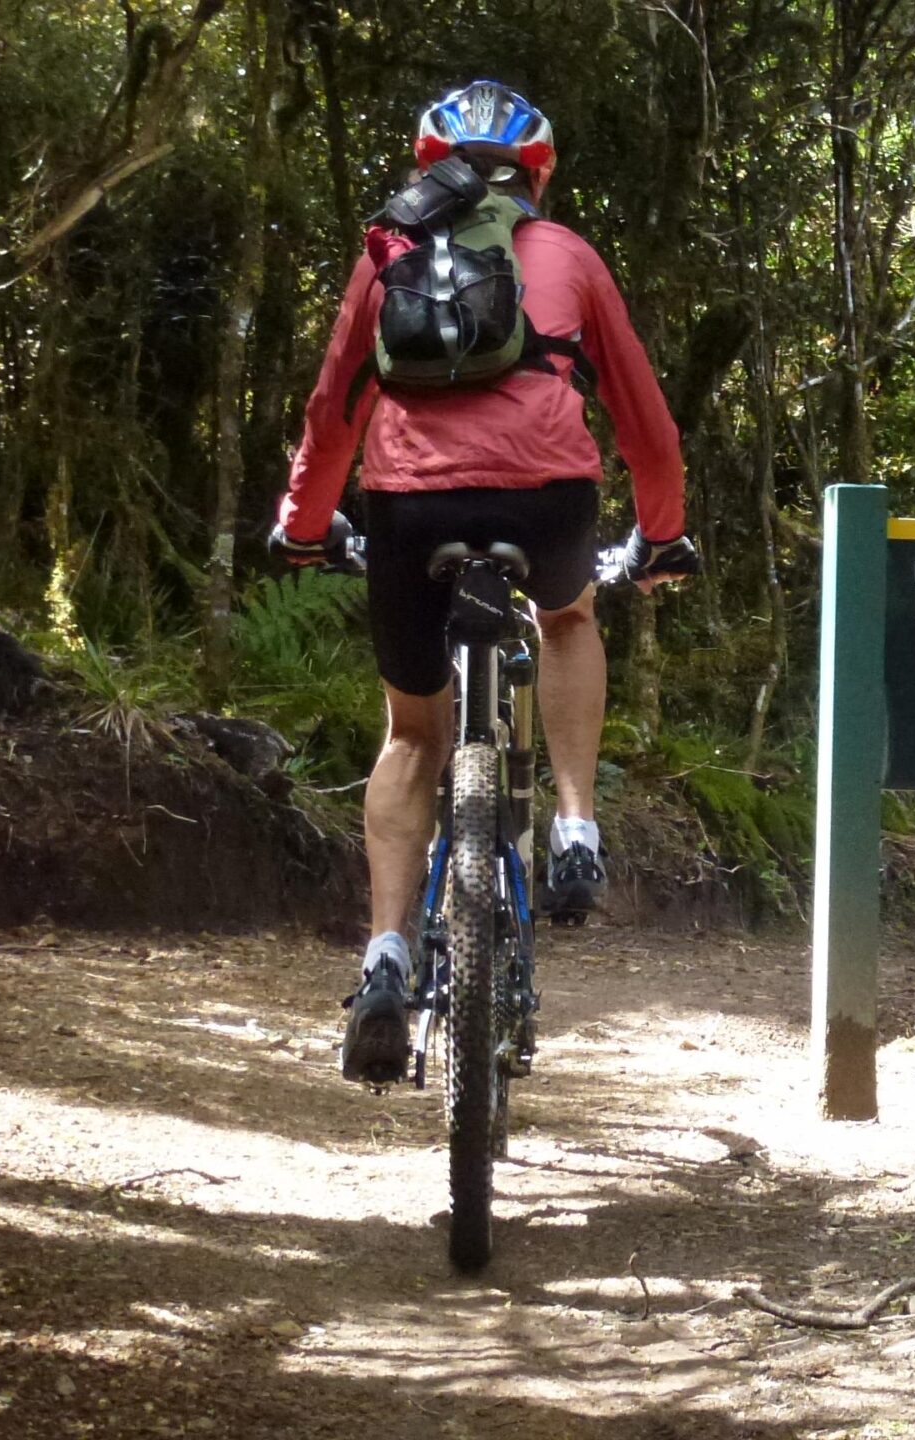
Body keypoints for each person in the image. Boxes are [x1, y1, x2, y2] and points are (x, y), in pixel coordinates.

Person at [270, 81, 699, 1084]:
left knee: (412, 731)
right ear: (539, 174)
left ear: (429, 165)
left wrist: (301, 530)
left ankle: (384, 957)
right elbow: (646, 423)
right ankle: (577, 826)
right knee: (567, 614)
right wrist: (661, 535)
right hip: (547, 500)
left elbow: (331, 410)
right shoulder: (570, 257)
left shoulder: (385, 255)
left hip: (408, 506)